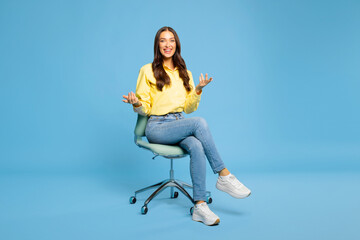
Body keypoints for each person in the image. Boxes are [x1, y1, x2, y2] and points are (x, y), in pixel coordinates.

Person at [123, 26, 251, 226]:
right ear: (158, 45)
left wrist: (198, 89)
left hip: (180, 122)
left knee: (196, 145)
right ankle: (224, 175)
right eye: (163, 40)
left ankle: (199, 206)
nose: (168, 44)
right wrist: (136, 103)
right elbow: (145, 108)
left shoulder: (185, 73)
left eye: (171, 40)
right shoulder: (147, 70)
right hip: (157, 127)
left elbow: (189, 108)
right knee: (200, 122)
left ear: (177, 44)